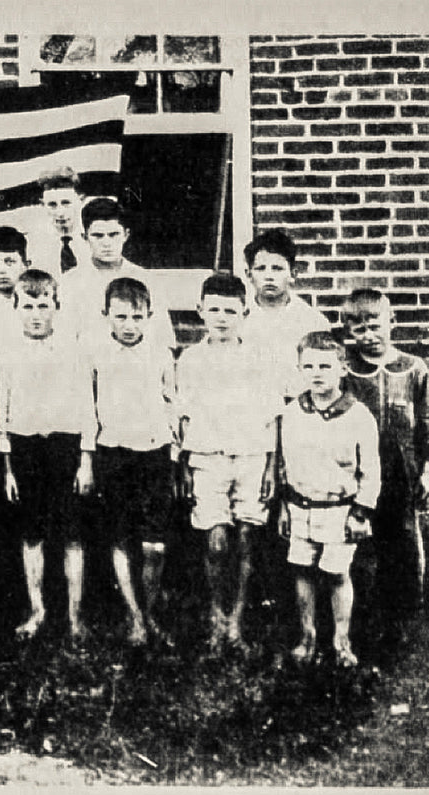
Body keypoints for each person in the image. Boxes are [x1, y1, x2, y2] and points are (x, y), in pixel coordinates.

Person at [175, 273, 281, 651]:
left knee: (248, 538)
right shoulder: (190, 360)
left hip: (251, 457)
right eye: (214, 309)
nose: (221, 317)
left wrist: (271, 466)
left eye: (230, 311)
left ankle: (236, 621)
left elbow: (273, 416)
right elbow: (183, 417)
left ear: (245, 313)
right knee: (216, 541)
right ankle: (216, 618)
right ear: (201, 311)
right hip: (208, 459)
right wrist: (185, 464)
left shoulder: (260, 358)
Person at [0, 270, 96, 640]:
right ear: (16, 308)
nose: (36, 314)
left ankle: (74, 616)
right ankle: (37, 610)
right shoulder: (6, 355)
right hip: (24, 447)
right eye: (28, 306)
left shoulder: (73, 350)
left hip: (65, 446)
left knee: (71, 534)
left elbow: (88, 408)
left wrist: (86, 459)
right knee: (32, 533)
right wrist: (7, 467)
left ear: (56, 307)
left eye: (43, 306)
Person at [339, 288, 429, 641]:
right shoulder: (348, 371)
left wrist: (428, 472)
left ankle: (405, 621)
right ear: (348, 333)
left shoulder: (413, 369)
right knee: (363, 545)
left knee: (404, 542)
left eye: (374, 326)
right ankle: (364, 618)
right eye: (358, 329)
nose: (368, 336)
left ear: (392, 322)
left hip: (402, 472)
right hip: (361, 474)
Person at [275, 331, 381, 666]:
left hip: (340, 510)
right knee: (302, 570)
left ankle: (341, 640)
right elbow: (283, 463)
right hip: (300, 507)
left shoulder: (358, 416)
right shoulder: (292, 413)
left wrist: (360, 512)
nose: (316, 373)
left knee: (337, 573)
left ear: (342, 368)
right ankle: (307, 638)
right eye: (308, 366)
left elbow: (371, 471)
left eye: (325, 365)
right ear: (299, 369)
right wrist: (283, 506)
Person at [89, 277, 179, 645]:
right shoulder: (94, 353)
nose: (129, 325)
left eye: (137, 317)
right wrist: (87, 457)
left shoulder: (160, 353)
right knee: (121, 537)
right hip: (113, 452)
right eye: (121, 316)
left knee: (154, 543)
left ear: (150, 317)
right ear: (106, 315)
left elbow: (173, 404)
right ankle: (134, 617)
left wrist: (174, 453)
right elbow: (87, 406)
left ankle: (151, 610)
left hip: (154, 453)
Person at [59, 197, 176, 354]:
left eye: (113, 234)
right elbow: (64, 340)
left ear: (126, 235)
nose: (106, 243)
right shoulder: (70, 283)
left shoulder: (147, 280)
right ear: (85, 238)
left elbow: (163, 339)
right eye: (98, 236)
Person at [242, 229, 331, 401]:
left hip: (301, 408)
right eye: (261, 269)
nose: (269, 276)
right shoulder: (239, 319)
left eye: (277, 269)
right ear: (249, 274)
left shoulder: (313, 322)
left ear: (293, 273)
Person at [22, 166, 88, 276]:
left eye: (66, 203)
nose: (60, 213)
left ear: (80, 201)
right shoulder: (32, 243)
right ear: (43, 205)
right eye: (52, 205)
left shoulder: (95, 237)